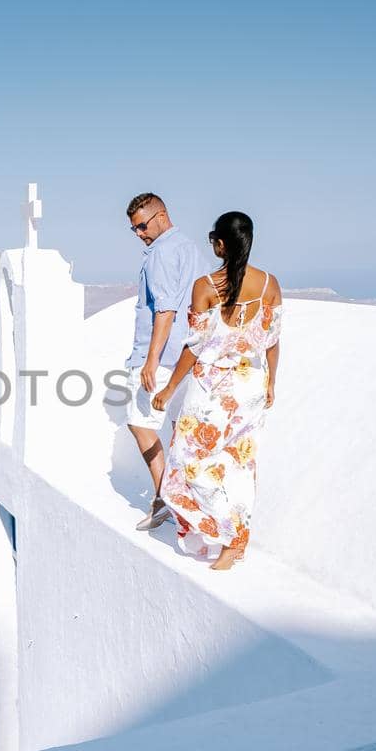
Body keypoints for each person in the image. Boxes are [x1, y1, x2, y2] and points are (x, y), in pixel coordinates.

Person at [151, 211, 282, 571]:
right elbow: (272, 340)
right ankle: (233, 538)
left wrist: (169, 388)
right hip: (251, 386)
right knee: (238, 464)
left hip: (213, 388)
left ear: (220, 244)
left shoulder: (205, 286)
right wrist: (271, 381)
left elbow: (194, 346)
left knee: (186, 462)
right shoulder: (270, 284)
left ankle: (228, 536)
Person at [123, 192, 206, 530]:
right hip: (189, 356)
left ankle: (163, 497)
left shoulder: (161, 253)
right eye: (134, 229)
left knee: (139, 423)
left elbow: (165, 310)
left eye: (142, 225)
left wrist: (150, 361)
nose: (140, 234)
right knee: (177, 428)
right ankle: (184, 499)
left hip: (162, 356)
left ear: (161, 215)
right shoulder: (190, 249)